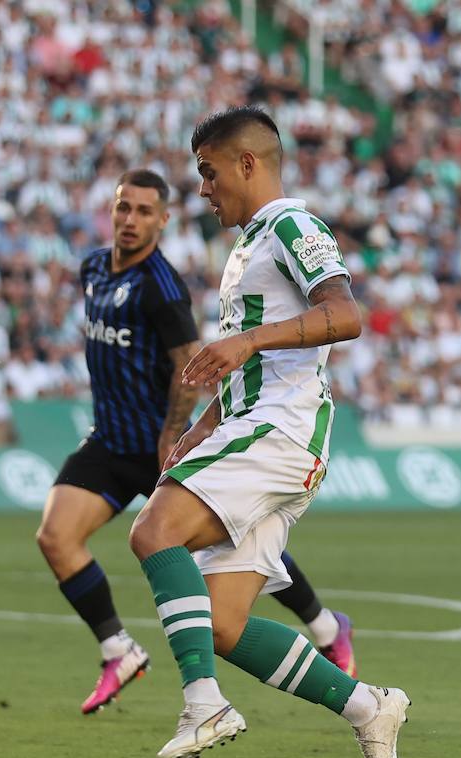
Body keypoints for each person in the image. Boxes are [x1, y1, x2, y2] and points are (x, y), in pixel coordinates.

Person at [126, 106, 410, 758]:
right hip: (263, 429)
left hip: (281, 433)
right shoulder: (250, 245)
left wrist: (247, 341)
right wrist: (203, 427)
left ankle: (204, 704)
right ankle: (369, 708)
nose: (203, 189)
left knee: (154, 531)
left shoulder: (292, 225)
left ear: (247, 164)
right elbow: (254, 367)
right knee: (222, 626)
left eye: (209, 172)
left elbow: (346, 316)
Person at [37, 169, 359, 717]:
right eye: (123, 208)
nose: (130, 220)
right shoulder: (93, 269)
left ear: (163, 221)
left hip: (161, 439)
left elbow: (189, 361)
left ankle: (321, 628)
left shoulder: (162, 285)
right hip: (111, 439)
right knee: (55, 536)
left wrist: (177, 430)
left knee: (222, 538)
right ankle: (118, 650)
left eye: (144, 211)